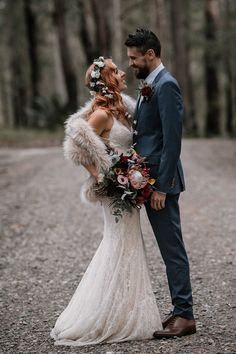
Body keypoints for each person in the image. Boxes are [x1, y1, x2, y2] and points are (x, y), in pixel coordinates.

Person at [50, 56, 162, 346]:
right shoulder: (100, 115)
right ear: (107, 79)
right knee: (119, 245)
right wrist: (103, 175)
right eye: (116, 70)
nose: (122, 72)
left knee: (129, 245)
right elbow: (78, 150)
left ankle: (125, 310)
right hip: (115, 194)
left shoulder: (124, 108)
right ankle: (108, 315)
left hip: (130, 189)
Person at [125, 28, 196, 338]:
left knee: (172, 250)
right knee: (169, 249)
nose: (131, 63)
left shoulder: (166, 86)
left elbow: (172, 141)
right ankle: (180, 310)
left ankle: (186, 315)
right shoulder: (150, 84)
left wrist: (162, 187)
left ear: (150, 54)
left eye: (134, 57)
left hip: (160, 183)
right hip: (148, 179)